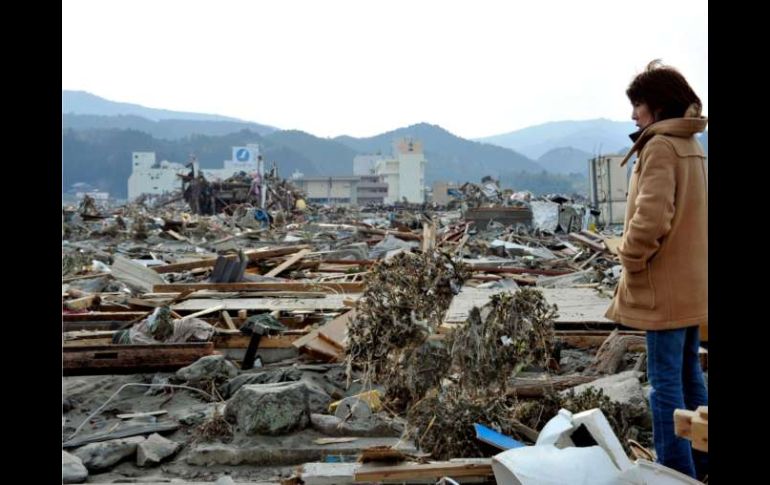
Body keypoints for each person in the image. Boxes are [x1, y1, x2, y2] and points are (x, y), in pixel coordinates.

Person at [604, 60, 708, 480]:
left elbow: (652, 218)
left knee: (664, 385)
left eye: (638, 105)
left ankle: (674, 472)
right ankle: (701, 465)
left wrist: (629, 256)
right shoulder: (692, 145)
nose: (633, 115)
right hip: (691, 286)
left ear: (657, 106)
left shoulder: (661, 146)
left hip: (662, 288)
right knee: (690, 379)